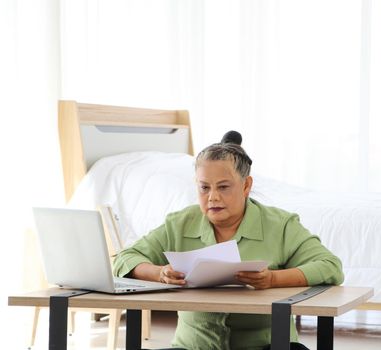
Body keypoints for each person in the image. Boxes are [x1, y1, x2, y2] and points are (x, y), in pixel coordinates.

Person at [113, 131, 344, 350]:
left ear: (246, 185)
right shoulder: (179, 223)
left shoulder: (281, 225)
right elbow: (125, 259)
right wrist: (159, 273)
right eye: (204, 188)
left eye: (223, 187)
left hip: (265, 346)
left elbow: (330, 266)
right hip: (193, 347)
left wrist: (273, 279)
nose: (213, 197)